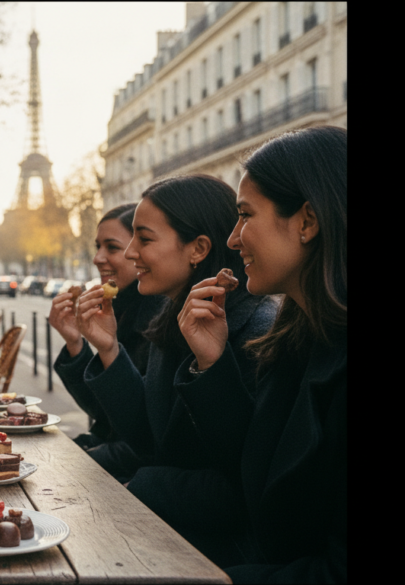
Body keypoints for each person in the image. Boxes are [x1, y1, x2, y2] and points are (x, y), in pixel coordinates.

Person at [62, 175, 278, 550]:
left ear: (198, 249)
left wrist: (138, 489)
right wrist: (108, 348)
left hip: (211, 549)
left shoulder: (257, 330)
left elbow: (242, 485)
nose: (130, 254)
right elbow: (151, 437)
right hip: (170, 531)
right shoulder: (174, 317)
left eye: (143, 239)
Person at [174, 127, 346, 583]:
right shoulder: (295, 342)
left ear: (307, 221)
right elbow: (257, 482)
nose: (234, 238)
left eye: (246, 215)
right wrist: (212, 363)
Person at [50, 203, 166, 454]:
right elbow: (104, 411)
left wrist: (87, 460)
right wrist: (75, 344)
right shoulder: (120, 307)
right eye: (97, 247)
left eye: (112, 247)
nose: (97, 258)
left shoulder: (161, 319)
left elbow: (144, 435)